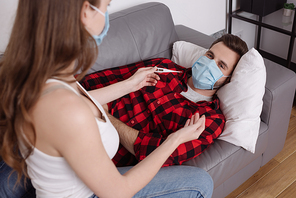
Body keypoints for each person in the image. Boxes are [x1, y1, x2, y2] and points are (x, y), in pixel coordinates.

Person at [0, 0, 214, 197]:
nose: (106, 15)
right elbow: (117, 192)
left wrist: (131, 84)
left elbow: (80, 99)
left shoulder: (49, 74)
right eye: (107, 5)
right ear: (86, 11)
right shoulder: (66, 110)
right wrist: (175, 139)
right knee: (200, 184)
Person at [80, 34, 249, 167]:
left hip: (102, 155)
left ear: (228, 79)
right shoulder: (164, 67)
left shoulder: (209, 119)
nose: (210, 64)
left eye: (221, 65)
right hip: (80, 116)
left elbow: (152, 153)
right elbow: (99, 80)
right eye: (210, 55)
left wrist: (104, 115)